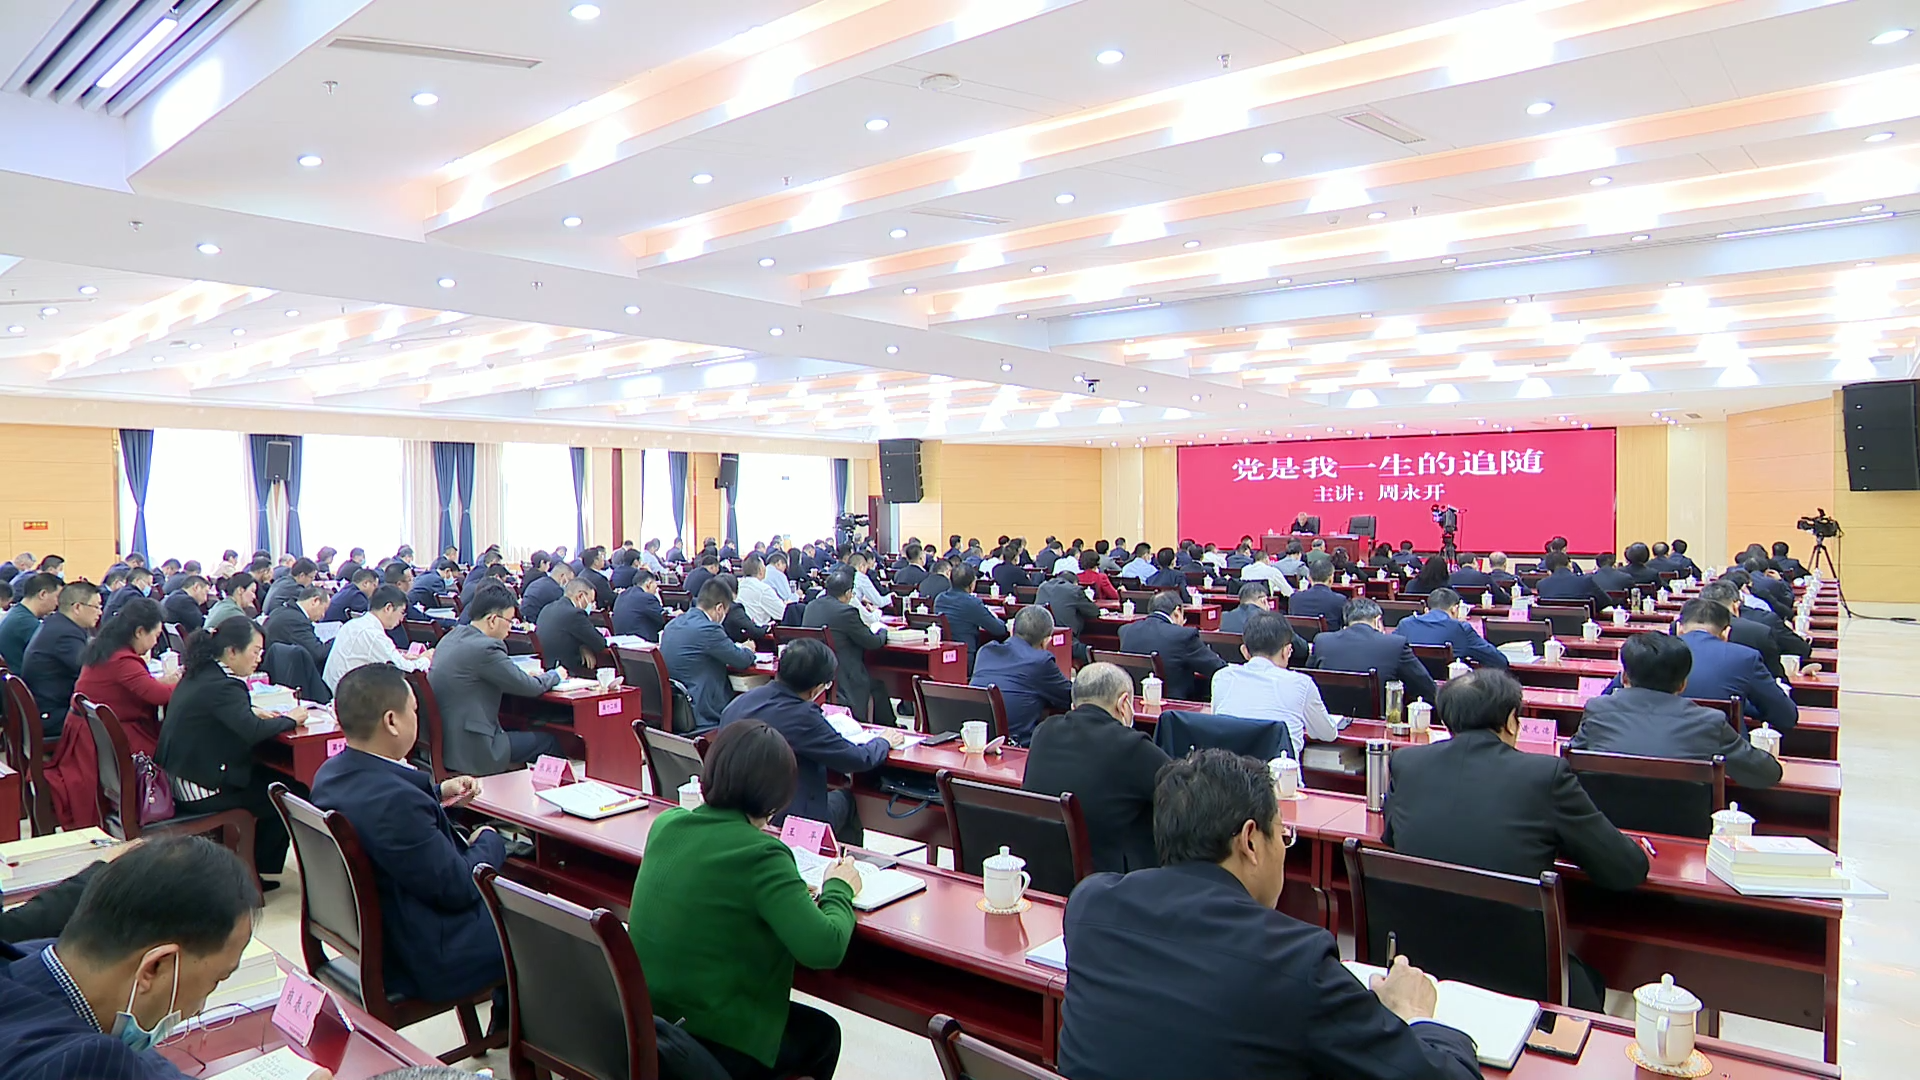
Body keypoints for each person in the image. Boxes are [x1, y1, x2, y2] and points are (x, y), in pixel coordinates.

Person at [1057, 749, 1480, 1080]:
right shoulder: (1297, 960)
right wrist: (1412, 1014)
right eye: (1282, 834)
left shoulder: (1090, 906)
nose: (1283, 848)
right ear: (1250, 841)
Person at [1382, 670, 1647, 1011]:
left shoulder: (1407, 761)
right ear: (1511, 720)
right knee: (1589, 979)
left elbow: (1391, 837)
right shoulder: (1545, 774)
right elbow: (1625, 868)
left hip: (1420, 961)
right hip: (1518, 976)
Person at [628, 720, 858, 1080]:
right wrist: (839, 888)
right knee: (823, 1034)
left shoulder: (666, 824)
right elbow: (824, 948)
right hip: (714, 1043)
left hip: (649, 1029)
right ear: (777, 796)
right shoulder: (763, 853)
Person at [0, 836, 277, 1080]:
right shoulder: (81, 1063)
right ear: (155, 967)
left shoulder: (29, 957)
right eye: (216, 980)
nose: (198, 1010)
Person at [310, 664, 506, 1004]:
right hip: (426, 953)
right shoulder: (397, 803)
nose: (417, 719)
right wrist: (490, 839)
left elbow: (382, 815)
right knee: (546, 926)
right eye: (414, 711)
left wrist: (438, 793)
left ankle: (506, 1020)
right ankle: (520, 1030)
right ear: (391, 721)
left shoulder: (330, 774)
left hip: (380, 934)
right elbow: (460, 888)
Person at [156, 617, 309, 881]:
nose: (259, 658)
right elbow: (253, 731)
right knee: (289, 792)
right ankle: (253, 870)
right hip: (200, 789)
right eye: (255, 651)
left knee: (272, 778)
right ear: (232, 651)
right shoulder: (226, 685)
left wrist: (250, 711)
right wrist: (291, 719)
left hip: (177, 778)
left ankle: (254, 866)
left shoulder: (201, 672)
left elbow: (224, 713)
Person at [719, 638, 902, 844]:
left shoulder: (738, 703)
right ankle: (839, 860)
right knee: (847, 800)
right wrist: (883, 741)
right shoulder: (802, 716)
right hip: (787, 822)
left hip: (736, 814)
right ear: (816, 689)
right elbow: (857, 759)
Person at [1573, 633, 1781, 788]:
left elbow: (1570, 762)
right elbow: (1766, 774)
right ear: (1683, 684)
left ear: (1624, 678)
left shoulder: (1597, 710)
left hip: (1604, 827)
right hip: (1687, 830)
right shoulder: (1710, 722)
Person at [49, 597, 182, 829]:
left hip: (91, 732)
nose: (155, 642)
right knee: (174, 751)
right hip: (108, 738)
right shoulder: (122, 660)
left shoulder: (107, 648)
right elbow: (157, 695)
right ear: (139, 632)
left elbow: (144, 687)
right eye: (155, 635)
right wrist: (183, 683)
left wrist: (166, 682)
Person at [1023, 664, 1169, 874]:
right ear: (1124, 703)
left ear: (1074, 705)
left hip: (1042, 872)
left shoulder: (1043, 732)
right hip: (1110, 881)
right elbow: (1185, 792)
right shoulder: (1131, 746)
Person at [430, 586, 563, 776]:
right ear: (492, 620)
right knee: (549, 741)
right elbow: (531, 687)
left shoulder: (450, 637)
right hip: (476, 749)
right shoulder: (486, 648)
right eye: (509, 621)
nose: (511, 627)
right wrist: (555, 675)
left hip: (447, 743)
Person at [1637, 599, 1798, 732]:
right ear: (1726, 633)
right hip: (1723, 752)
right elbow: (1786, 717)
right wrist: (1741, 704)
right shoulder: (1745, 657)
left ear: (1679, 629)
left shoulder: (1653, 652)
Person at [1212, 613, 1336, 753]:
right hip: (1278, 766)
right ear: (1286, 651)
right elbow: (1327, 734)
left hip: (1230, 765)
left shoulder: (1222, 677)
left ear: (1245, 652)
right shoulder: (1301, 684)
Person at [802, 568, 894, 727]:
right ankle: (888, 726)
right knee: (878, 686)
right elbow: (872, 642)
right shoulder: (846, 612)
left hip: (815, 672)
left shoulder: (811, 606)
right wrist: (882, 631)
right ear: (848, 593)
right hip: (844, 676)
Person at [661, 578, 758, 729]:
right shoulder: (709, 629)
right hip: (702, 712)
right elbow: (742, 660)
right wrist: (749, 649)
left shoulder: (673, 624)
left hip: (675, 709)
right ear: (719, 608)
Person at [971, 606, 1073, 744]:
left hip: (976, 738)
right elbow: (1070, 697)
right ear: (1046, 641)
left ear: (1012, 630)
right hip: (1014, 744)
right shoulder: (1040, 661)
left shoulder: (985, 651)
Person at [1308, 597, 1437, 704]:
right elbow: (1427, 688)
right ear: (1378, 620)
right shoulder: (1395, 644)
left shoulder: (1322, 641)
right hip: (1379, 722)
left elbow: (1307, 681)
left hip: (1329, 719)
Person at [21, 581, 102, 737]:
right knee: (114, 719)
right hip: (52, 715)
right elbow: (90, 671)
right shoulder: (65, 635)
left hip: (44, 707)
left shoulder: (58, 624)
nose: (100, 612)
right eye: (96, 606)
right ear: (77, 607)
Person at [1118, 591, 1227, 702]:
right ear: (1177, 611)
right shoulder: (1184, 635)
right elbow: (1218, 668)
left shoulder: (1126, 631)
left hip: (1133, 701)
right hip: (1175, 705)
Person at [322, 586, 429, 692]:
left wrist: (401, 657)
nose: (402, 619)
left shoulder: (352, 624)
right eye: (402, 612)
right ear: (388, 608)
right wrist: (426, 659)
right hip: (346, 696)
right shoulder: (374, 635)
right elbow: (406, 670)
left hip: (335, 690)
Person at [1393, 587, 1508, 670]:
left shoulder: (1405, 624)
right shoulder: (1461, 628)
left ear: (1426, 610)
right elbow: (1499, 661)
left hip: (1408, 688)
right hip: (1448, 690)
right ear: (1454, 609)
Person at [932, 564, 1008, 673]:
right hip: (966, 658)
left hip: (945, 655)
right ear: (972, 584)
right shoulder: (972, 603)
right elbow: (999, 629)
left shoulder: (939, 599)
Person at [534, 578, 606, 679]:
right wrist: (585, 645)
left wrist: (582, 645)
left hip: (546, 667)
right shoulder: (575, 614)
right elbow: (600, 643)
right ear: (580, 596)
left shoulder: (547, 608)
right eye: (591, 601)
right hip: (567, 672)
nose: (593, 606)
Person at [1036, 567, 1099, 663]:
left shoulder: (1042, 587)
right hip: (1066, 641)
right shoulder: (1074, 590)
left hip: (1040, 639)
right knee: (1090, 650)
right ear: (1074, 583)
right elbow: (1094, 612)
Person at [263, 585, 332, 672]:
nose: (323, 615)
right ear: (315, 601)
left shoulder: (282, 611)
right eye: (324, 609)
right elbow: (318, 653)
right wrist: (339, 639)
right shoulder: (296, 620)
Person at [0, 571, 60, 670]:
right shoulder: (25, 623)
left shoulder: (17, 613)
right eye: (57, 597)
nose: (58, 603)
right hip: (22, 677)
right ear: (43, 594)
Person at [1533, 551, 1612, 612]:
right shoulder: (1585, 580)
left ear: (1549, 570)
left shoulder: (1541, 585)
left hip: (1553, 627)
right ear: (1569, 564)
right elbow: (1606, 602)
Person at [1284, 559, 1345, 631]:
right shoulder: (1339, 600)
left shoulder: (1294, 599)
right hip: (1329, 637)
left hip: (1301, 638)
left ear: (1309, 578)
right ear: (1331, 579)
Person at [612, 568, 669, 641]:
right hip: (642, 642)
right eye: (656, 586)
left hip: (621, 641)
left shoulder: (622, 595)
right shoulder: (647, 598)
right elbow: (663, 620)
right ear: (648, 584)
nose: (656, 590)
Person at [734, 555, 787, 628]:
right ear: (760, 570)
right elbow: (783, 613)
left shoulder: (738, 584)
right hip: (759, 631)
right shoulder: (764, 590)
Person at [520, 559, 570, 624]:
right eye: (569, 580)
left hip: (523, 618)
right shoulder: (556, 590)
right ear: (562, 576)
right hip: (536, 622)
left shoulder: (539, 582)